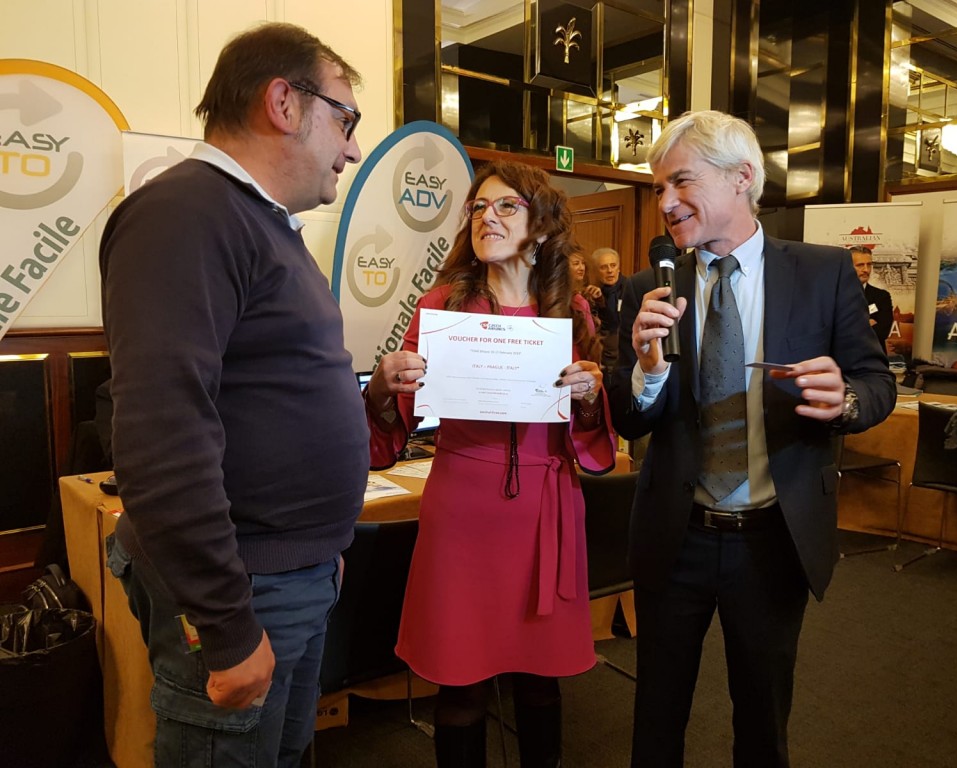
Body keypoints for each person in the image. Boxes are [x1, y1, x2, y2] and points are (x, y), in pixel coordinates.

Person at [100, 23, 367, 767]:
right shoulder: (187, 214)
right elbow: (163, 436)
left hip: (288, 573)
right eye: (346, 118)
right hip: (243, 587)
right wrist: (225, 624)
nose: (351, 149)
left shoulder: (261, 224)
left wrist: (318, 550)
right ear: (284, 102)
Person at [606, 110, 896, 767]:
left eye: (681, 181)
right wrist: (648, 372)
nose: (666, 202)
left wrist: (845, 398)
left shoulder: (822, 273)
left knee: (763, 723)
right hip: (673, 536)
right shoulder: (648, 288)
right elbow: (628, 417)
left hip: (772, 541)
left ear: (741, 177)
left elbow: (875, 382)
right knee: (656, 719)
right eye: (658, 188)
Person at [363, 159, 616, 767]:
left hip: (546, 512)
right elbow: (396, 422)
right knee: (461, 683)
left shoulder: (572, 312)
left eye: (506, 206)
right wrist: (382, 390)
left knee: (540, 680)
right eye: (478, 207)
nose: (487, 217)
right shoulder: (441, 307)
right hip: (463, 511)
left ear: (542, 226)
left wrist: (589, 396)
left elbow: (589, 434)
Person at [849, 244, 894, 353]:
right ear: (848, 267)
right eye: (860, 265)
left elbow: (882, 332)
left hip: (873, 357)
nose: (866, 270)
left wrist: (851, 327)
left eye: (869, 265)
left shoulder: (882, 297)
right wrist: (866, 324)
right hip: (842, 358)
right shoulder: (834, 295)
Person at [590, 246, 626, 374]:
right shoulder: (591, 293)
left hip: (626, 356)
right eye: (603, 267)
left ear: (619, 268)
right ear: (595, 271)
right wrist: (598, 301)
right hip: (601, 359)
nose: (610, 271)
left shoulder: (630, 288)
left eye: (613, 265)